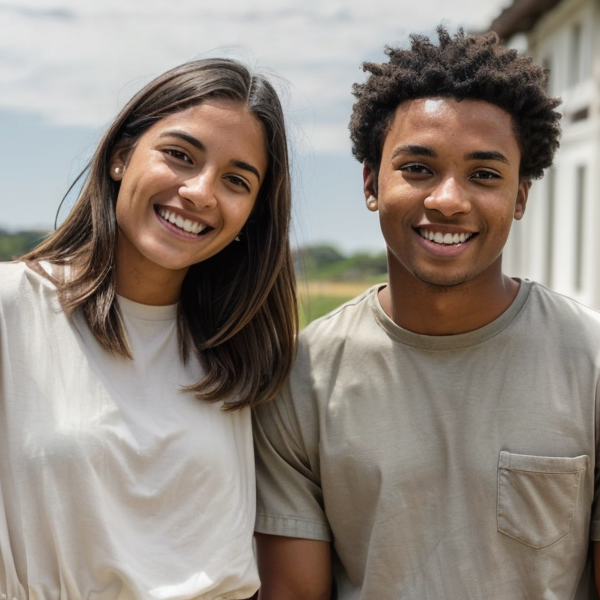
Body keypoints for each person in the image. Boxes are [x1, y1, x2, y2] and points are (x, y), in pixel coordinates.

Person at [253, 26, 600, 599]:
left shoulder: (591, 365)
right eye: (417, 168)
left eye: (485, 175)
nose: (447, 200)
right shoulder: (301, 380)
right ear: (371, 181)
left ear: (520, 197)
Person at [0, 57, 297, 599]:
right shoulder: (10, 308)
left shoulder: (248, 351)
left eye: (236, 180)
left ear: (252, 212)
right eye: (180, 156)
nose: (201, 192)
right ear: (120, 157)